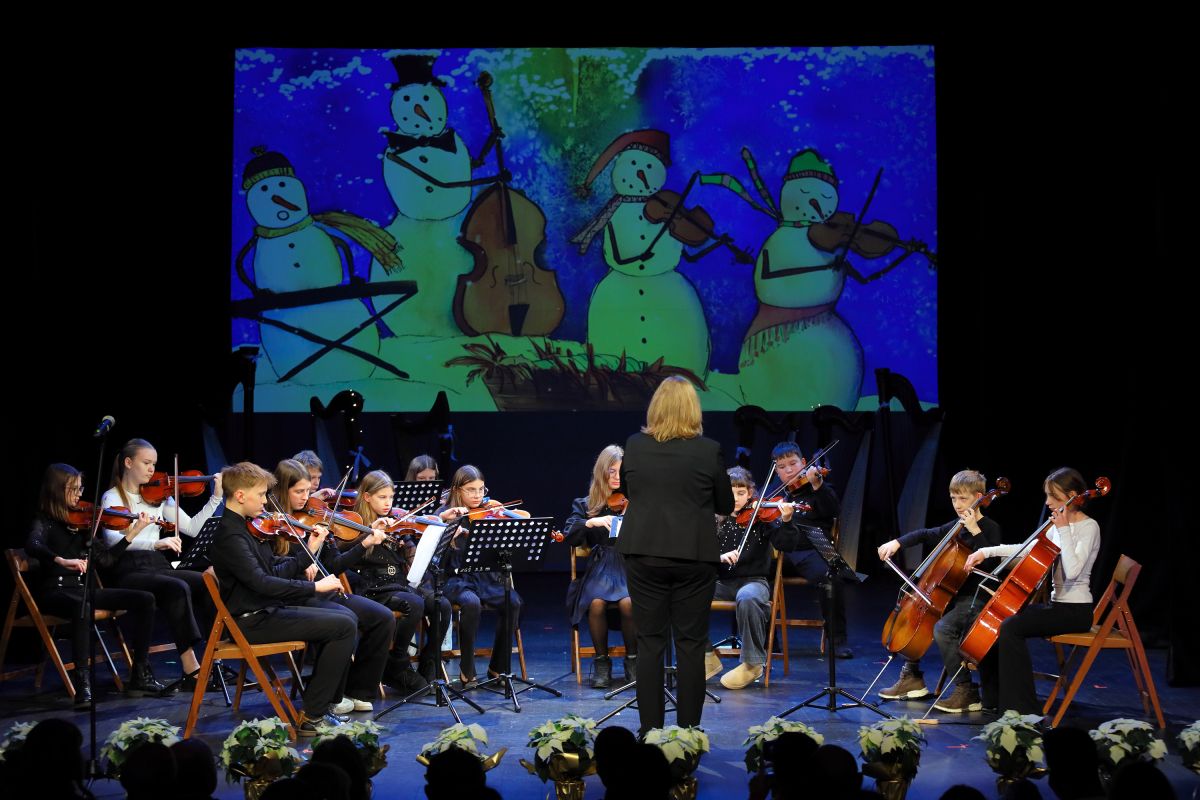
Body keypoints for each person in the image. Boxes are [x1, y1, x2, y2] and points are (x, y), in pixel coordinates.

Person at [617, 376, 733, 732]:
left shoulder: (635, 445)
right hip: (693, 556)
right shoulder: (708, 450)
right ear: (693, 410)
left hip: (644, 552)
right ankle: (688, 735)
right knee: (691, 644)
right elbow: (726, 504)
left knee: (650, 643)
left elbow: (628, 490)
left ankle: (650, 732)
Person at [207, 461, 355, 735]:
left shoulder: (246, 528)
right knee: (343, 626)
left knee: (346, 617)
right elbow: (263, 584)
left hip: (266, 611)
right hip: (253, 621)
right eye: (261, 494)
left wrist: (308, 551)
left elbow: (273, 570)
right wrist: (314, 588)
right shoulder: (230, 536)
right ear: (240, 495)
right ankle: (313, 714)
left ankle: (320, 705)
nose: (266, 501)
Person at [964, 467, 1101, 716]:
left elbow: (1072, 571)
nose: (1047, 502)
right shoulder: (1058, 527)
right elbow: (1026, 548)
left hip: (1076, 611)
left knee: (1011, 627)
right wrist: (986, 551)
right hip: (1056, 606)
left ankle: (1023, 709)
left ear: (1072, 496)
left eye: (1053, 496)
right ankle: (995, 700)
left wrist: (1063, 529)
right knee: (999, 620)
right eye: (1047, 495)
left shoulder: (1089, 527)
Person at [25, 464, 162, 703]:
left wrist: (133, 532)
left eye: (80, 488)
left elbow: (107, 560)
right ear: (57, 490)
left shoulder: (83, 522)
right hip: (55, 592)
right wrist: (60, 560)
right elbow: (32, 545)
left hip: (82, 591)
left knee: (145, 599)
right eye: (73, 489)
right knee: (83, 607)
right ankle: (83, 685)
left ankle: (140, 675)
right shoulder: (44, 521)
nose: (79, 494)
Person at [270, 459, 394, 713]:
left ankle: (358, 689)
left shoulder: (316, 518)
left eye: (308, 491)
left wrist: (365, 543)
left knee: (383, 618)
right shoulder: (273, 524)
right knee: (345, 618)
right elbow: (273, 571)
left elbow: (335, 564)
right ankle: (331, 696)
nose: (306, 497)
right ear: (283, 490)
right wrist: (304, 562)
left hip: (324, 591)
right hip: (296, 596)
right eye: (299, 491)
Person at [875, 469, 1003, 712]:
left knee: (943, 629)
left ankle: (966, 690)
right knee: (917, 620)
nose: (957, 504)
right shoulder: (956, 526)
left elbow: (993, 566)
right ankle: (912, 678)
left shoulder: (989, 527)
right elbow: (925, 534)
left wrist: (975, 531)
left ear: (979, 497)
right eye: (953, 498)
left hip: (975, 598)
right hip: (951, 596)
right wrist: (897, 542)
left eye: (963, 498)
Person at [101, 438, 220, 685]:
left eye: (154, 464)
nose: (152, 469)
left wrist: (216, 498)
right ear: (128, 462)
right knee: (177, 587)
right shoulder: (111, 497)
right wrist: (155, 543)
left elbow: (192, 528)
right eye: (146, 463)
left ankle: (215, 656)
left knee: (206, 582)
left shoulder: (160, 497)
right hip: (129, 568)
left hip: (157, 565)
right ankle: (190, 666)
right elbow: (113, 541)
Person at [706, 466, 800, 689]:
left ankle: (753, 663)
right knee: (685, 594)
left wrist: (787, 520)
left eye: (741, 493)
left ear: (750, 493)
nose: (736, 499)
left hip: (753, 581)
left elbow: (786, 544)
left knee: (748, 597)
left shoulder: (761, 519)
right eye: (730, 493)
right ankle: (706, 656)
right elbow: (699, 551)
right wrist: (718, 557)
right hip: (722, 582)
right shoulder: (712, 518)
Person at [349, 469, 440, 690]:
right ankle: (397, 663)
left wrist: (410, 541)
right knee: (414, 603)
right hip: (372, 587)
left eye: (391, 497)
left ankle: (429, 663)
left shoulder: (394, 522)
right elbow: (345, 552)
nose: (388, 503)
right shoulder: (354, 523)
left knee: (440, 604)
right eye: (382, 497)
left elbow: (410, 557)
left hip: (396, 583)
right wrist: (369, 534)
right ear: (367, 496)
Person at [437, 465, 527, 688]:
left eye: (481, 489)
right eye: (471, 490)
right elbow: (437, 559)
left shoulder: (489, 513)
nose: (477, 495)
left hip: (486, 577)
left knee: (513, 602)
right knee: (471, 603)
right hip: (456, 579)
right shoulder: (447, 514)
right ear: (457, 490)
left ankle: (498, 666)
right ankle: (467, 668)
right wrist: (447, 533)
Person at [563, 444, 636, 688]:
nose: (616, 477)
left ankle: (633, 661)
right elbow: (570, 533)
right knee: (596, 603)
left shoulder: (636, 500)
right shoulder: (586, 504)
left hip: (629, 565)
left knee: (628, 602)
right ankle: (602, 662)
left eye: (620, 471)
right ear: (601, 473)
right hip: (601, 565)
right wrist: (591, 522)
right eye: (611, 471)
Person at [773, 441, 853, 658]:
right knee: (751, 573)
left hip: (811, 551)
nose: (789, 470)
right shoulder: (775, 492)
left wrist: (818, 485)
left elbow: (833, 510)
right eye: (782, 467)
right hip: (782, 554)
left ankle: (837, 640)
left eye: (793, 464)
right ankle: (765, 641)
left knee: (832, 578)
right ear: (776, 471)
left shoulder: (819, 488)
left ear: (803, 463)